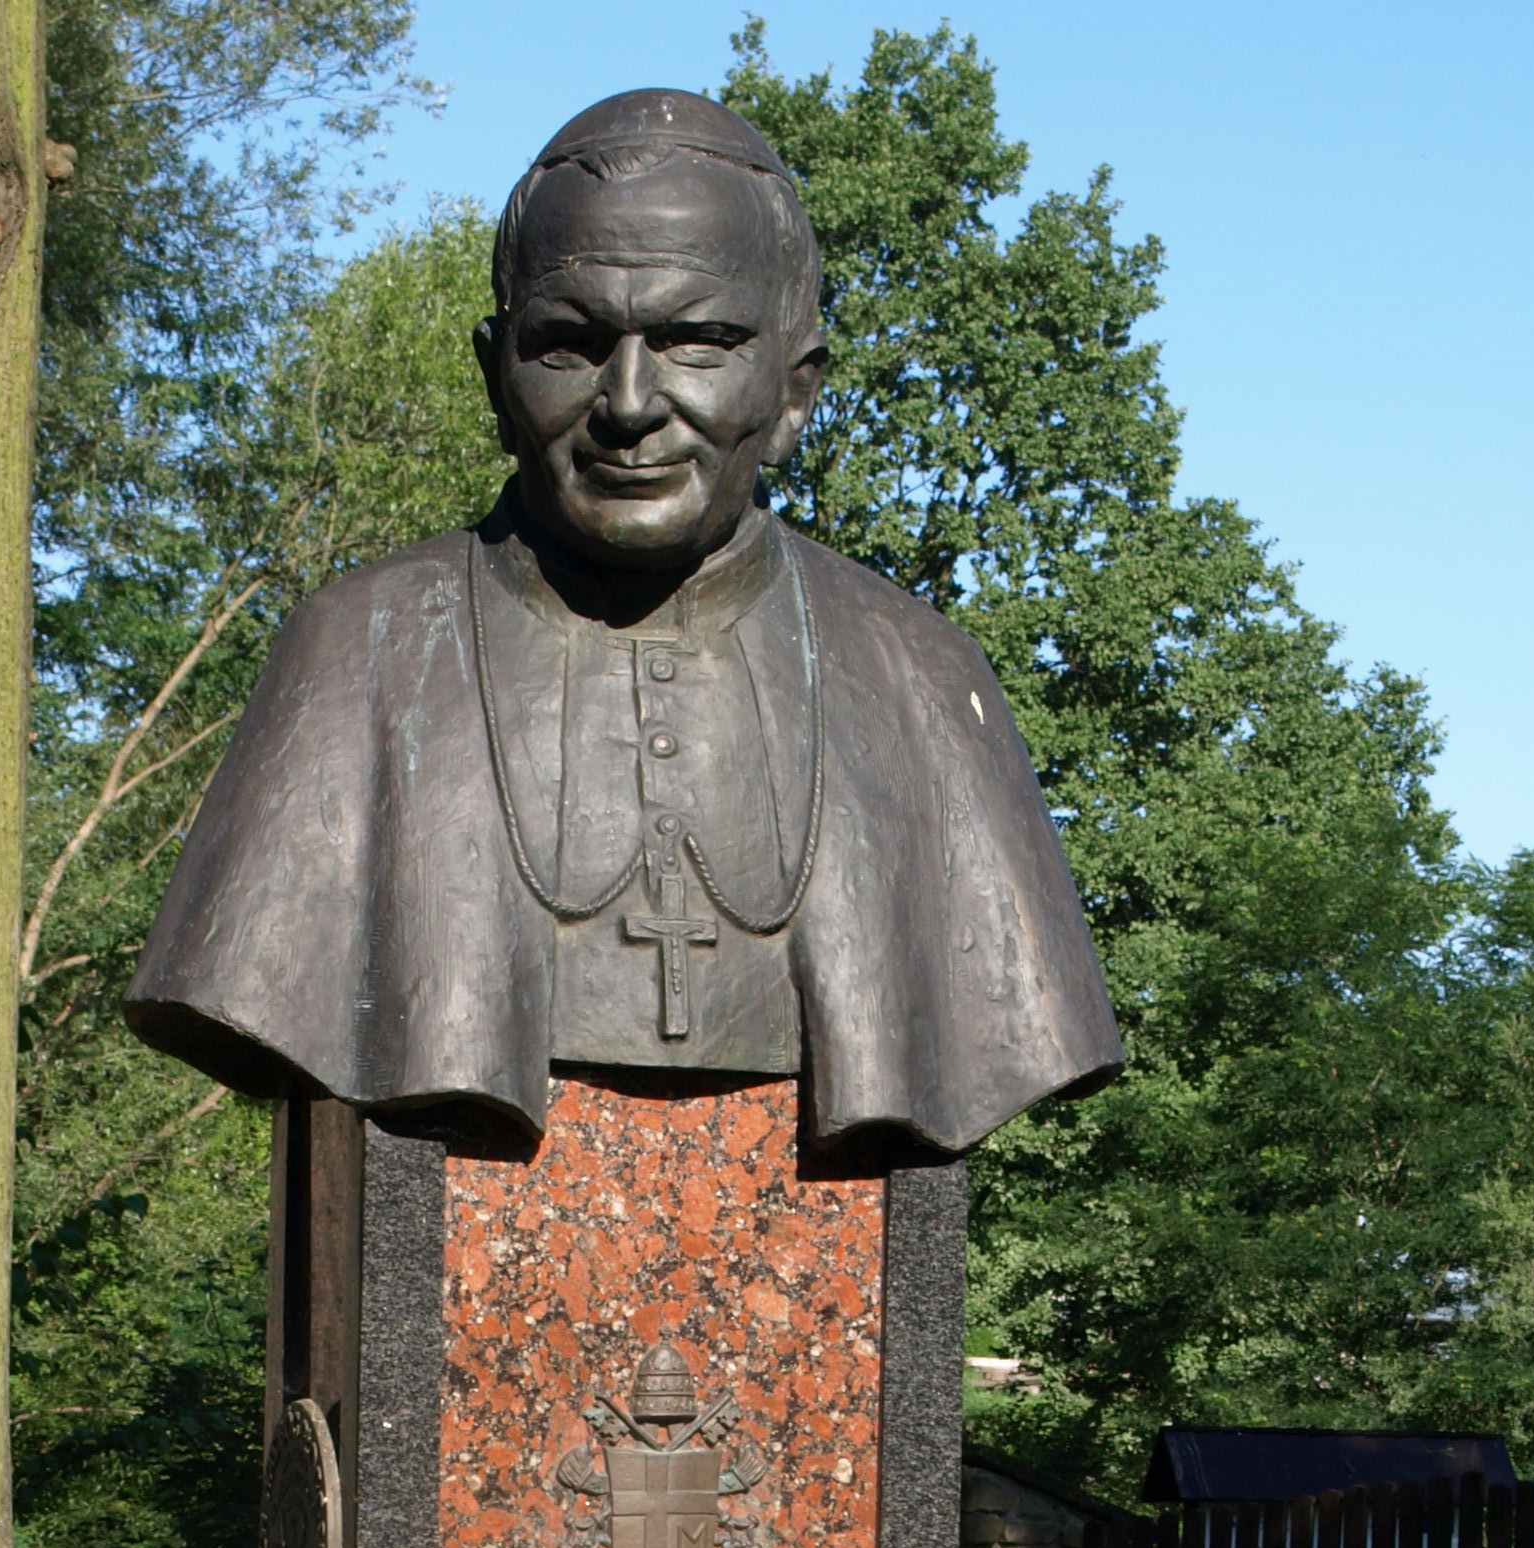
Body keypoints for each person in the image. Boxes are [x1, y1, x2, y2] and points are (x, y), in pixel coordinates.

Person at [126, 86, 1119, 1158]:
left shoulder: (922, 675)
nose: (631, 403)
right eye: (571, 344)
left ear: (794, 392)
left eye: (697, 342)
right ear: (496, 377)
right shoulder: (354, 654)